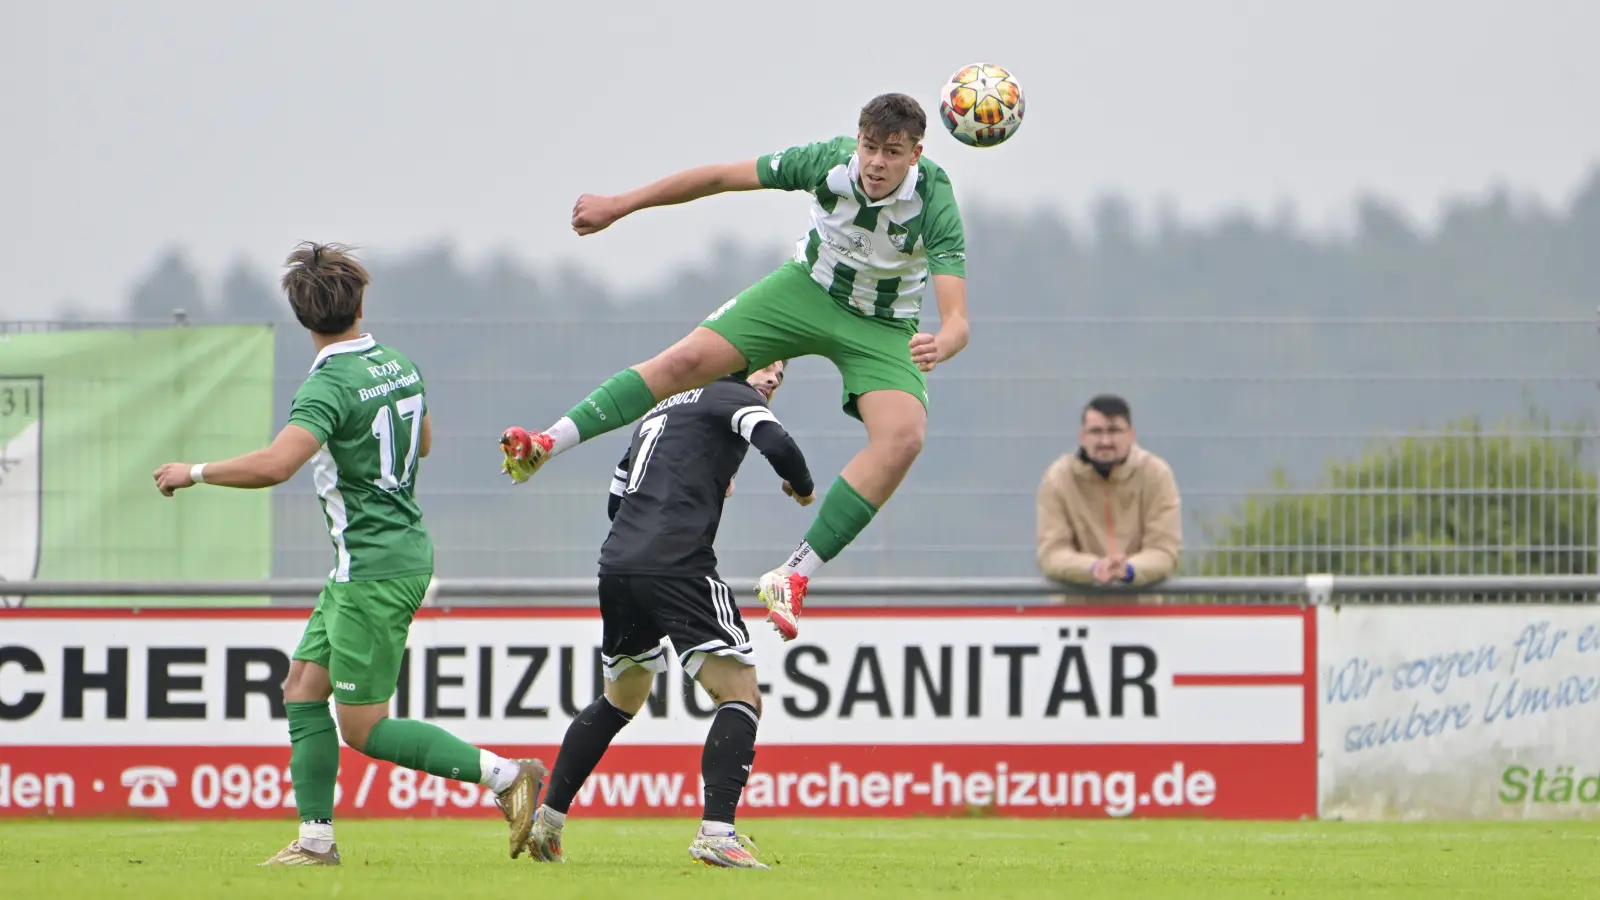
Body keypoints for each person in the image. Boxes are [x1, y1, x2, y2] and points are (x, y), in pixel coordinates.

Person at [498, 92, 969, 641]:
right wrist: (620, 204)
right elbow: (720, 177)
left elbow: (957, 318)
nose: (875, 163)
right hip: (806, 291)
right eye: (869, 147)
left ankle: (792, 576)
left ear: (916, 152)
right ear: (857, 140)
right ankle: (544, 444)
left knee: (904, 437)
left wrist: (946, 342)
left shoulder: (935, 199)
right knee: (688, 359)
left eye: (891, 152)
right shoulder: (826, 162)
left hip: (882, 326)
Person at [153, 242, 545, 865]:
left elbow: (278, 464)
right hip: (376, 560)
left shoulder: (329, 384)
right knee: (304, 689)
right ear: (360, 302)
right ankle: (315, 841)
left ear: (303, 318)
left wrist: (192, 471)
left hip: (374, 569)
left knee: (363, 727)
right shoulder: (397, 363)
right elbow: (423, 445)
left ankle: (506, 777)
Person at [518, 361, 814, 870]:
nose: (771, 380)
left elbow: (617, 501)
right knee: (740, 693)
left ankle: (547, 823)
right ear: (737, 360)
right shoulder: (731, 398)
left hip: (619, 564)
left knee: (622, 698)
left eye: (781, 375)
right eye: (766, 365)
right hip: (678, 564)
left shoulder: (661, 409)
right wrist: (803, 488)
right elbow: (780, 446)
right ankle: (718, 833)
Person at [1035, 394, 1183, 605]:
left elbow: (1164, 551)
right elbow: (1051, 553)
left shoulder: (1156, 474)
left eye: (1114, 431)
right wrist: (1093, 568)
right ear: (1082, 436)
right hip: (1077, 616)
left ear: (1131, 434)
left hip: (1141, 615)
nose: (1105, 441)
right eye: (1096, 431)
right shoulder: (1057, 478)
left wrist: (1129, 570)